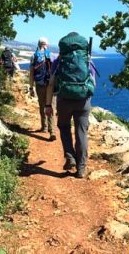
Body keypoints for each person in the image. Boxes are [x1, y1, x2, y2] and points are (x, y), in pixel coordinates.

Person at [45, 32, 94, 178]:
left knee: (64, 127)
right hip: (83, 101)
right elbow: (93, 83)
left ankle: (70, 157)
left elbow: (50, 84)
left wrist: (48, 105)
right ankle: (81, 169)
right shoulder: (87, 60)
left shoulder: (58, 61)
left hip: (64, 100)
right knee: (81, 133)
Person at [29, 37, 56, 141]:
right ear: (47, 45)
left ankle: (44, 127)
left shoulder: (33, 56)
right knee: (51, 106)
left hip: (39, 85)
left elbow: (31, 73)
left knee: (42, 105)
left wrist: (31, 87)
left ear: (38, 44)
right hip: (50, 84)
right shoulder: (52, 55)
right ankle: (52, 131)